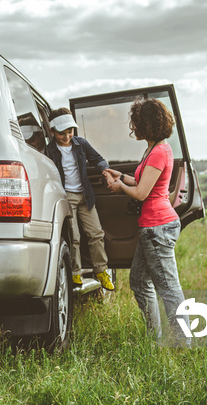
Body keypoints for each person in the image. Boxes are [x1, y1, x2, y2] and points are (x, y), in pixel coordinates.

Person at [103, 98, 189, 344]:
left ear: (146, 124)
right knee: (139, 282)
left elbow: (141, 194)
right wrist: (122, 176)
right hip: (153, 226)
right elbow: (145, 185)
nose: (133, 126)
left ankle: (184, 343)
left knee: (169, 289)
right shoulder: (156, 149)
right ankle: (156, 339)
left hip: (157, 227)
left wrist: (119, 186)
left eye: (136, 121)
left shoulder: (158, 152)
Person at [45, 108, 114, 291]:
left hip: (85, 195)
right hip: (66, 196)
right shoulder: (49, 150)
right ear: (52, 132)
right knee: (74, 237)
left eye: (70, 131)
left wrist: (104, 170)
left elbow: (98, 159)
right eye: (62, 133)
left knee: (96, 233)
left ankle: (101, 270)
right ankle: (75, 273)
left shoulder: (81, 144)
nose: (67, 136)